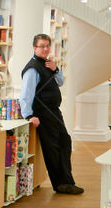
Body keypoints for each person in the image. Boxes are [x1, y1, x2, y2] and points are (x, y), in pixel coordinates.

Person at [20, 33, 83, 195]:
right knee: (53, 148)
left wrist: (56, 70)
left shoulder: (48, 64)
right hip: (43, 114)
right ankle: (61, 184)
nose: (45, 49)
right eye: (41, 46)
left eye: (47, 46)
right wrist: (29, 116)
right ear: (34, 48)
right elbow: (26, 94)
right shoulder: (32, 68)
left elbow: (60, 82)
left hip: (54, 111)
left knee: (65, 142)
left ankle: (66, 181)